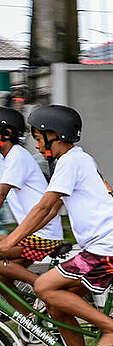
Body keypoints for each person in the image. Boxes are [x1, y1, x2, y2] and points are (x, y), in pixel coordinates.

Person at [0, 105, 113, 346]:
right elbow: (53, 208)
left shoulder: (71, 161)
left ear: (54, 134)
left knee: (46, 287)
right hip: (102, 247)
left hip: (107, 248)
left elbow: (45, 205)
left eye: (38, 137)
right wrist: (16, 238)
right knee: (56, 305)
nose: (36, 144)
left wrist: (11, 242)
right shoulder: (72, 161)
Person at [0, 106, 66, 306]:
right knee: (3, 279)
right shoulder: (4, 158)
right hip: (31, 232)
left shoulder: (17, 156)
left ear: (7, 133)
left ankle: (49, 288)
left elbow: (1, 194)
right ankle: (28, 323)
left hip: (43, 233)